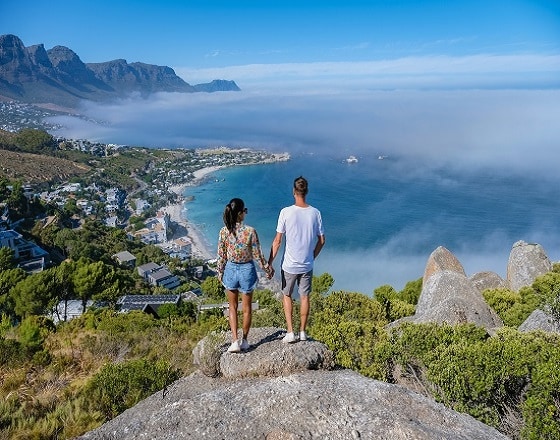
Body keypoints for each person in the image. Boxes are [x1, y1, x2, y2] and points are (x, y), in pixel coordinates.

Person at [268, 176, 325, 343]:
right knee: (305, 297)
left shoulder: (285, 212)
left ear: (294, 192)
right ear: (306, 191)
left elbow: (277, 241)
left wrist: (269, 262)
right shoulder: (315, 213)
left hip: (289, 265)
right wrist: (312, 256)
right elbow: (322, 240)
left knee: (287, 295)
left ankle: (290, 332)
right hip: (307, 265)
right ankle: (303, 332)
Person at [217, 198, 274, 353]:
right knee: (247, 308)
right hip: (247, 271)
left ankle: (234, 341)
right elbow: (258, 256)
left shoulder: (224, 231)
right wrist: (268, 269)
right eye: (245, 211)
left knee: (232, 308)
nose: (246, 213)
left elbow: (221, 255)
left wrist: (220, 272)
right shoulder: (250, 231)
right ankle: (245, 341)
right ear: (241, 213)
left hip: (230, 269)